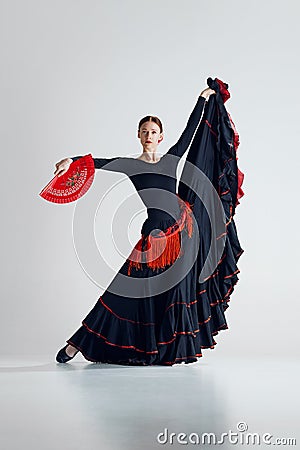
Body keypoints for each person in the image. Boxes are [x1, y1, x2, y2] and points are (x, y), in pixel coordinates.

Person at [54, 84, 238, 366]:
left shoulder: (172, 158)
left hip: (182, 237)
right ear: (138, 136)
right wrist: (72, 160)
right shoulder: (130, 165)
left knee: (175, 295)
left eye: (153, 131)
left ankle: (165, 350)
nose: (149, 136)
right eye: (144, 131)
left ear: (161, 137)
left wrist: (201, 100)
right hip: (152, 239)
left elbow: (191, 131)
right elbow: (97, 163)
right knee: (121, 291)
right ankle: (76, 344)